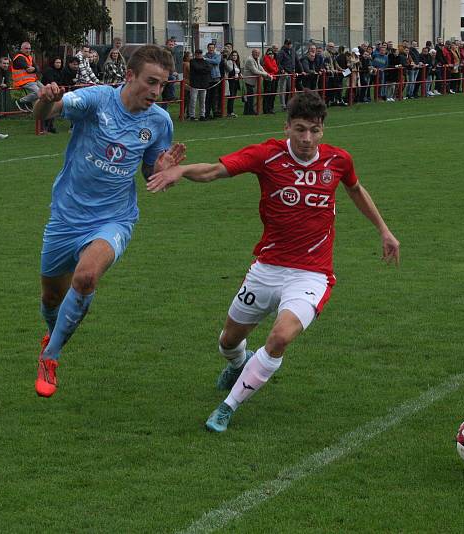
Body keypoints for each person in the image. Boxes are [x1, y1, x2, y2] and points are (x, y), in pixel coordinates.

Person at [144, 90, 400, 432]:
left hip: (312, 275)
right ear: (287, 128)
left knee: (279, 338)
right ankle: (237, 364)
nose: (307, 138)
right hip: (267, 269)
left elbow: (355, 189)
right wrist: (182, 170)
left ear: (322, 129)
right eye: (299, 129)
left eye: (313, 129)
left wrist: (384, 230)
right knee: (228, 341)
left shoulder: (338, 160)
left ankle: (228, 407)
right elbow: (215, 171)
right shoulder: (268, 155)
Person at [31, 44, 186, 398]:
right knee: (51, 297)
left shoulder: (159, 122)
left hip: (114, 218)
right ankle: (54, 333)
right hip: (66, 216)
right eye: (151, 82)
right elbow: (45, 114)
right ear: (130, 76)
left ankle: (50, 357)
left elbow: (150, 170)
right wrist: (45, 97)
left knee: (85, 278)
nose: (156, 91)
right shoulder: (97, 100)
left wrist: (162, 172)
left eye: (162, 85)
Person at [12, 42, 43, 112]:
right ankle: (20, 101)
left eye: (29, 49)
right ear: (21, 49)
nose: (28, 50)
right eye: (26, 48)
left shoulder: (29, 57)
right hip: (23, 81)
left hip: (33, 80)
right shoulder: (19, 57)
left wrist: (34, 69)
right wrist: (34, 69)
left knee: (45, 91)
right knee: (39, 92)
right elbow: (29, 69)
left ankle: (27, 103)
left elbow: (37, 68)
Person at [242, 48, 271, 116]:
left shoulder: (257, 59)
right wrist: (266, 74)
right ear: (252, 53)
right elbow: (254, 71)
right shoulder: (250, 60)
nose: (257, 54)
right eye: (255, 53)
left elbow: (260, 67)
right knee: (250, 96)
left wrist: (267, 74)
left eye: (258, 53)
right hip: (248, 81)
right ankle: (250, 111)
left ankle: (246, 111)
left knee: (250, 96)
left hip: (252, 81)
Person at [187, 48, 211, 120]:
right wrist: (204, 70)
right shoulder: (192, 61)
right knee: (193, 100)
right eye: (197, 53)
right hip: (195, 83)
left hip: (204, 84)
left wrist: (202, 70)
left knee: (202, 101)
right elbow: (197, 68)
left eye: (200, 53)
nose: (199, 55)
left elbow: (209, 69)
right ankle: (192, 115)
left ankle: (202, 115)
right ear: (195, 54)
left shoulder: (205, 61)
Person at [41, 58, 63, 133]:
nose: (58, 64)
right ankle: (44, 127)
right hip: (48, 92)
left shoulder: (59, 71)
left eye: (60, 62)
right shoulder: (49, 70)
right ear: (53, 63)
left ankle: (50, 126)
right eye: (57, 62)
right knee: (47, 110)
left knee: (53, 110)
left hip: (55, 93)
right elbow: (50, 80)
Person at [203, 42, 222, 119]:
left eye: (212, 48)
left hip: (215, 78)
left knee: (215, 96)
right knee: (207, 97)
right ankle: (207, 113)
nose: (211, 49)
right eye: (210, 47)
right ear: (207, 48)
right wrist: (210, 61)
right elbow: (206, 64)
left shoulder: (217, 55)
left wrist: (207, 60)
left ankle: (215, 112)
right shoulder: (204, 56)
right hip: (207, 79)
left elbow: (216, 62)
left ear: (214, 48)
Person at [223, 49, 241, 117]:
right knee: (231, 96)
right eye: (233, 55)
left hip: (236, 82)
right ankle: (229, 112)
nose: (234, 57)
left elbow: (238, 71)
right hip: (231, 81)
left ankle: (231, 111)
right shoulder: (229, 62)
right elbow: (230, 70)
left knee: (233, 97)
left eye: (236, 55)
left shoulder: (237, 63)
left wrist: (240, 74)